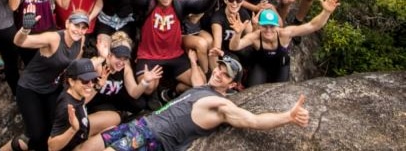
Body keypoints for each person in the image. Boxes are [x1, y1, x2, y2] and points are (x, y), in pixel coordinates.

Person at [78, 55, 309, 151]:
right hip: (143, 124)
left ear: (232, 85)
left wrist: (288, 116)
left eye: (225, 74)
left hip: (153, 139)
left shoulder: (222, 105)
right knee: (88, 146)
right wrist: (193, 59)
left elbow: (253, 120)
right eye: (219, 68)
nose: (218, 73)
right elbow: (199, 77)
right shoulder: (203, 87)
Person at [128, 0, 219, 98]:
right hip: (149, 55)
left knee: (200, 84)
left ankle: (175, 91)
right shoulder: (148, 1)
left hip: (175, 54)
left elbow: (201, 6)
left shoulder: (179, 2)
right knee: (148, 88)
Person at [9, 8, 87, 151]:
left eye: (83, 28)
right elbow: (19, 41)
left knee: (55, 129)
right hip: (29, 88)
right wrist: (25, 29)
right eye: (76, 25)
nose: (79, 30)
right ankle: (13, 146)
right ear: (68, 23)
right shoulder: (53, 38)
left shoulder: (81, 40)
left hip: (51, 88)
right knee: (37, 135)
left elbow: (74, 66)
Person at [229, 0, 340, 87]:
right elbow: (234, 46)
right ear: (259, 26)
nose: (268, 30)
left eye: (272, 26)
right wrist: (238, 34)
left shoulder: (285, 34)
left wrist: (326, 12)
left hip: (281, 66)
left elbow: (312, 26)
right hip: (261, 65)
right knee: (252, 90)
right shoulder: (255, 37)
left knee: (281, 90)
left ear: (277, 26)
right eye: (265, 26)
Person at [87, 32, 163, 131]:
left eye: (125, 59)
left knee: (140, 104)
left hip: (114, 101)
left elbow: (134, 93)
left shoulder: (125, 67)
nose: (121, 63)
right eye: (118, 57)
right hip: (96, 102)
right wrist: (98, 83)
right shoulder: (100, 64)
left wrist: (145, 81)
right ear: (110, 55)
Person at [48, 58, 101, 151]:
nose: (90, 84)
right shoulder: (66, 107)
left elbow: (82, 102)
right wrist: (73, 129)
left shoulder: (77, 94)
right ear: (71, 81)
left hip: (82, 135)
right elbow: (51, 147)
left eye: (93, 79)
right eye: (85, 80)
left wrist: (98, 86)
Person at [209, 0, 253, 71]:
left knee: (250, 53)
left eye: (238, 0)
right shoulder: (218, 17)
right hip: (226, 50)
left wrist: (256, 26)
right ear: (225, 0)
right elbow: (217, 45)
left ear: (242, 1)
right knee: (234, 62)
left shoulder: (243, 13)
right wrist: (220, 52)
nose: (234, 3)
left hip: (239, 46)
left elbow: (250, 37)